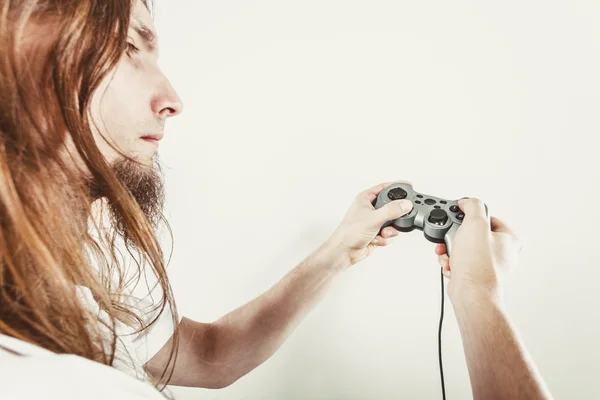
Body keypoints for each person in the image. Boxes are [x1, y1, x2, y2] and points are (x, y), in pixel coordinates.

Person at [0, 0, 554, 399]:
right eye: (127, 47)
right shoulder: (44, 381)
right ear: (20, 59)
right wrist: (479, 295)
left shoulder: (55, 287)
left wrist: (340, 248)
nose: (172, 99)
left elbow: (208, 356)